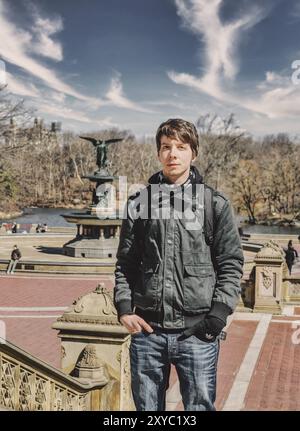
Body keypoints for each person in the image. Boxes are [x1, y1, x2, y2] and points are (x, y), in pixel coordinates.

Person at [114, 118, 244, 411]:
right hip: (148, 334)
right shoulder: (139, 204)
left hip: (197, 334)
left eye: (181, 147)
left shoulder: (214, 204)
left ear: (193, 153)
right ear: (159, 153)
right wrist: (124, 309)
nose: (173, 153)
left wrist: (217, 317)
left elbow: (231, 264)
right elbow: (126, 264)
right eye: (166, 147)